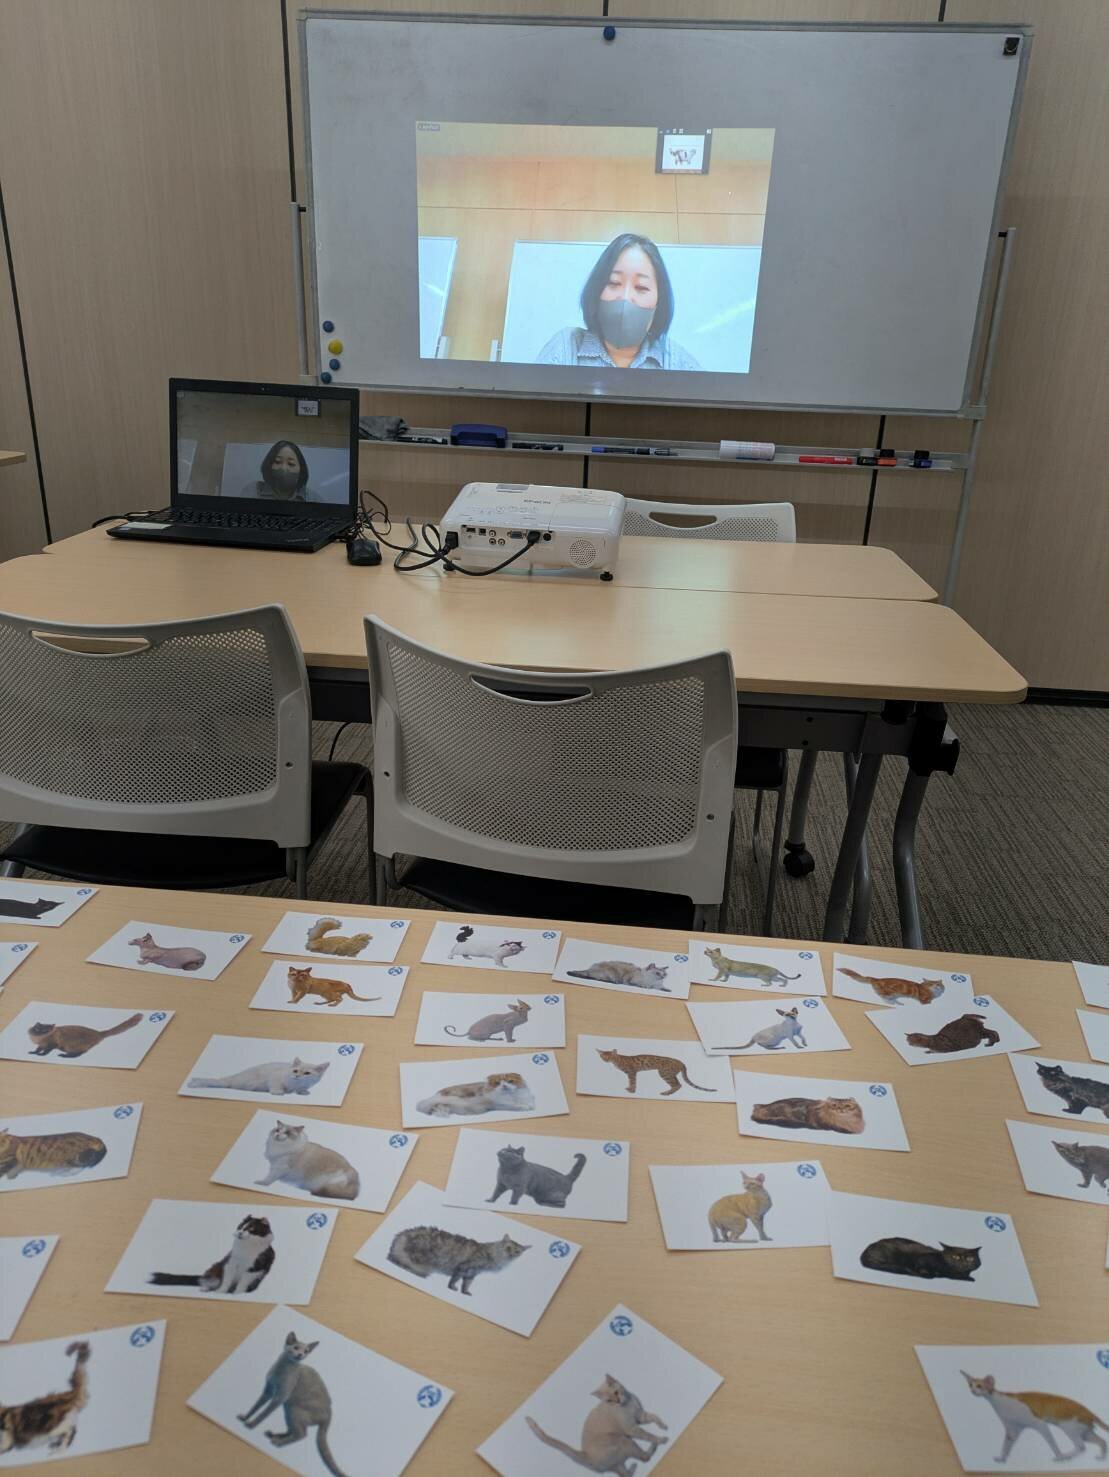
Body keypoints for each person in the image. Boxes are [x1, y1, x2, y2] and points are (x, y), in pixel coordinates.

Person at [536, 233, 700, 371]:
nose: (625, 297)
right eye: (613, 283)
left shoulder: (677, 361)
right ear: (596, 290)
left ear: (659, 301)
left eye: (641, 287)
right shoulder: (567, 346)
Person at [241, 441, 313, 500]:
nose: (283, 468)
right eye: (277, 462)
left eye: (291, 464)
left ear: (301, 470)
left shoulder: (311, 497)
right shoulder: (253, 491)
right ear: (269, 465)